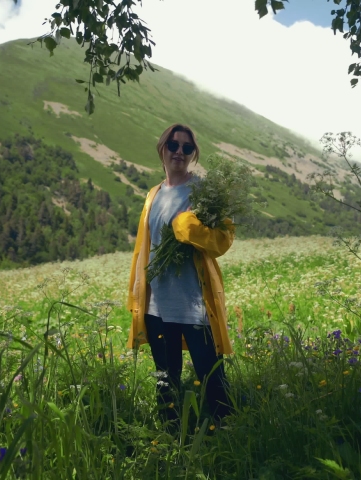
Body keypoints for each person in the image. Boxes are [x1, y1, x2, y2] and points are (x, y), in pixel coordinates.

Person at [126, 123, 235, 430]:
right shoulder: (153, 194)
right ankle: (171, 438)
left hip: (195, 305)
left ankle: (225, 435)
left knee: (213, 377)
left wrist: (191, 230)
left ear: (193, 154)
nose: (179, 152)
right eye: (173, 145)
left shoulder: (203, 193)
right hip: (157, 308)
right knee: (165, 380)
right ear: (162, 148)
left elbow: (224, 239)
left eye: (187, 148)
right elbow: (144, 249)